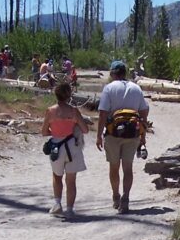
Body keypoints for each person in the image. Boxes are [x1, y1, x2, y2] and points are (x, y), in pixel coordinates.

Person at [96, 60, 149, 214]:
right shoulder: (136, 88)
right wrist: (143, 133)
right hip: (132, 133)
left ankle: (116, 196)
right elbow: (144, 110)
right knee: (128, 167)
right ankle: (126, 197)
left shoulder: (109, 88)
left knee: (114, 167)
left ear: (112, 73)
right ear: (125, 73)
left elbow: (103, 113)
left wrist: (99, 135)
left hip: (113, 133)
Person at [41, 81, 89, 219]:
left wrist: (55, 132)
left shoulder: (50, 111)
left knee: (57, 176)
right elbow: (85, 130)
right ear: (69, 95)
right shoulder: (74, 111)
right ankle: (70, 209)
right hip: (72, 146)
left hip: (57, 146)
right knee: (71, 180)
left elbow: (44, 132)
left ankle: (57, 203)